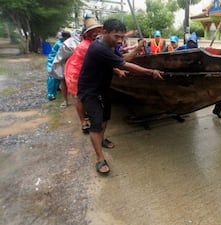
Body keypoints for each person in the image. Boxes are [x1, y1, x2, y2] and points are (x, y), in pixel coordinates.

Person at [77, 18, 163, 175]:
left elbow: (122, 59)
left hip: (103, 87)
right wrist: (150, 72)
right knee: (96, 123)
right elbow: (125, 64)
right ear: (104, 32)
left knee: (104, 118)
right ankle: (100, 158)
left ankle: (102, 140)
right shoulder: (98, 48)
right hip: (90, 90)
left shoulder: (110, 45)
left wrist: (137, 49)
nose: (120, 40)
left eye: (122, 37)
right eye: (116, 36)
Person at [65, 17, 103, 134]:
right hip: (75, 74)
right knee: (80, 98)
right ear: (87, 34)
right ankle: (83, 122)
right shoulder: (86, 46)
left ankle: (88, 116)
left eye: (97, 30)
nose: (95, 33)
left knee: (86, 97)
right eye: (92, 31)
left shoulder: (94, 43)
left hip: (84, 71)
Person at [50, 28, 81, 108]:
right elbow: (59, 56)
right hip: (65, 64)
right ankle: (65, 101)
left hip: (76, 66)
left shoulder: (81, 42)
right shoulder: (66, 44)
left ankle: (77, 100)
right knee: (63, 81)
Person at [46, 29, 71, 101]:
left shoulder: (62, 42)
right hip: (53, 61)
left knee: (58, 76)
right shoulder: (60, 44)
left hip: (57, 61)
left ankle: (57, 88)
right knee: (53, 77)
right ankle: (50, 94)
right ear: (64, 37)